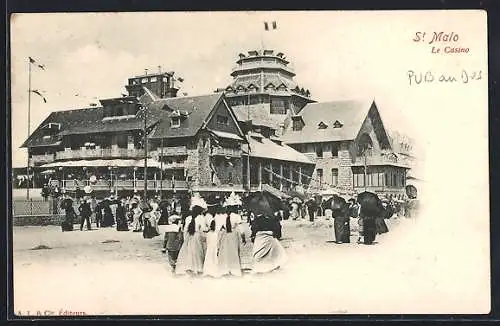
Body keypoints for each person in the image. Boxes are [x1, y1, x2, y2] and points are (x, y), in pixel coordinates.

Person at [175, 196, 208, 276]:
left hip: (189, 236)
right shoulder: (201, 218)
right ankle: (197, 267)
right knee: (197, 252)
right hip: (197, 236)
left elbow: (185, 229)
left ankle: (188, 266)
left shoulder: (188, 218)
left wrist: (185, 238)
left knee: (188, 251)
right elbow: (203, 228)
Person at [218, 193, 246, 277]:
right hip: (233, 235)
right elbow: (241, 229)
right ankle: (234, 268)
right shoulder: (237, 216)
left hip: (225, 235)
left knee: (225, 252)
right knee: (234, 252)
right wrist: (243, 238)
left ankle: (225, 269)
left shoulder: (223, 217)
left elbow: (221, 229)